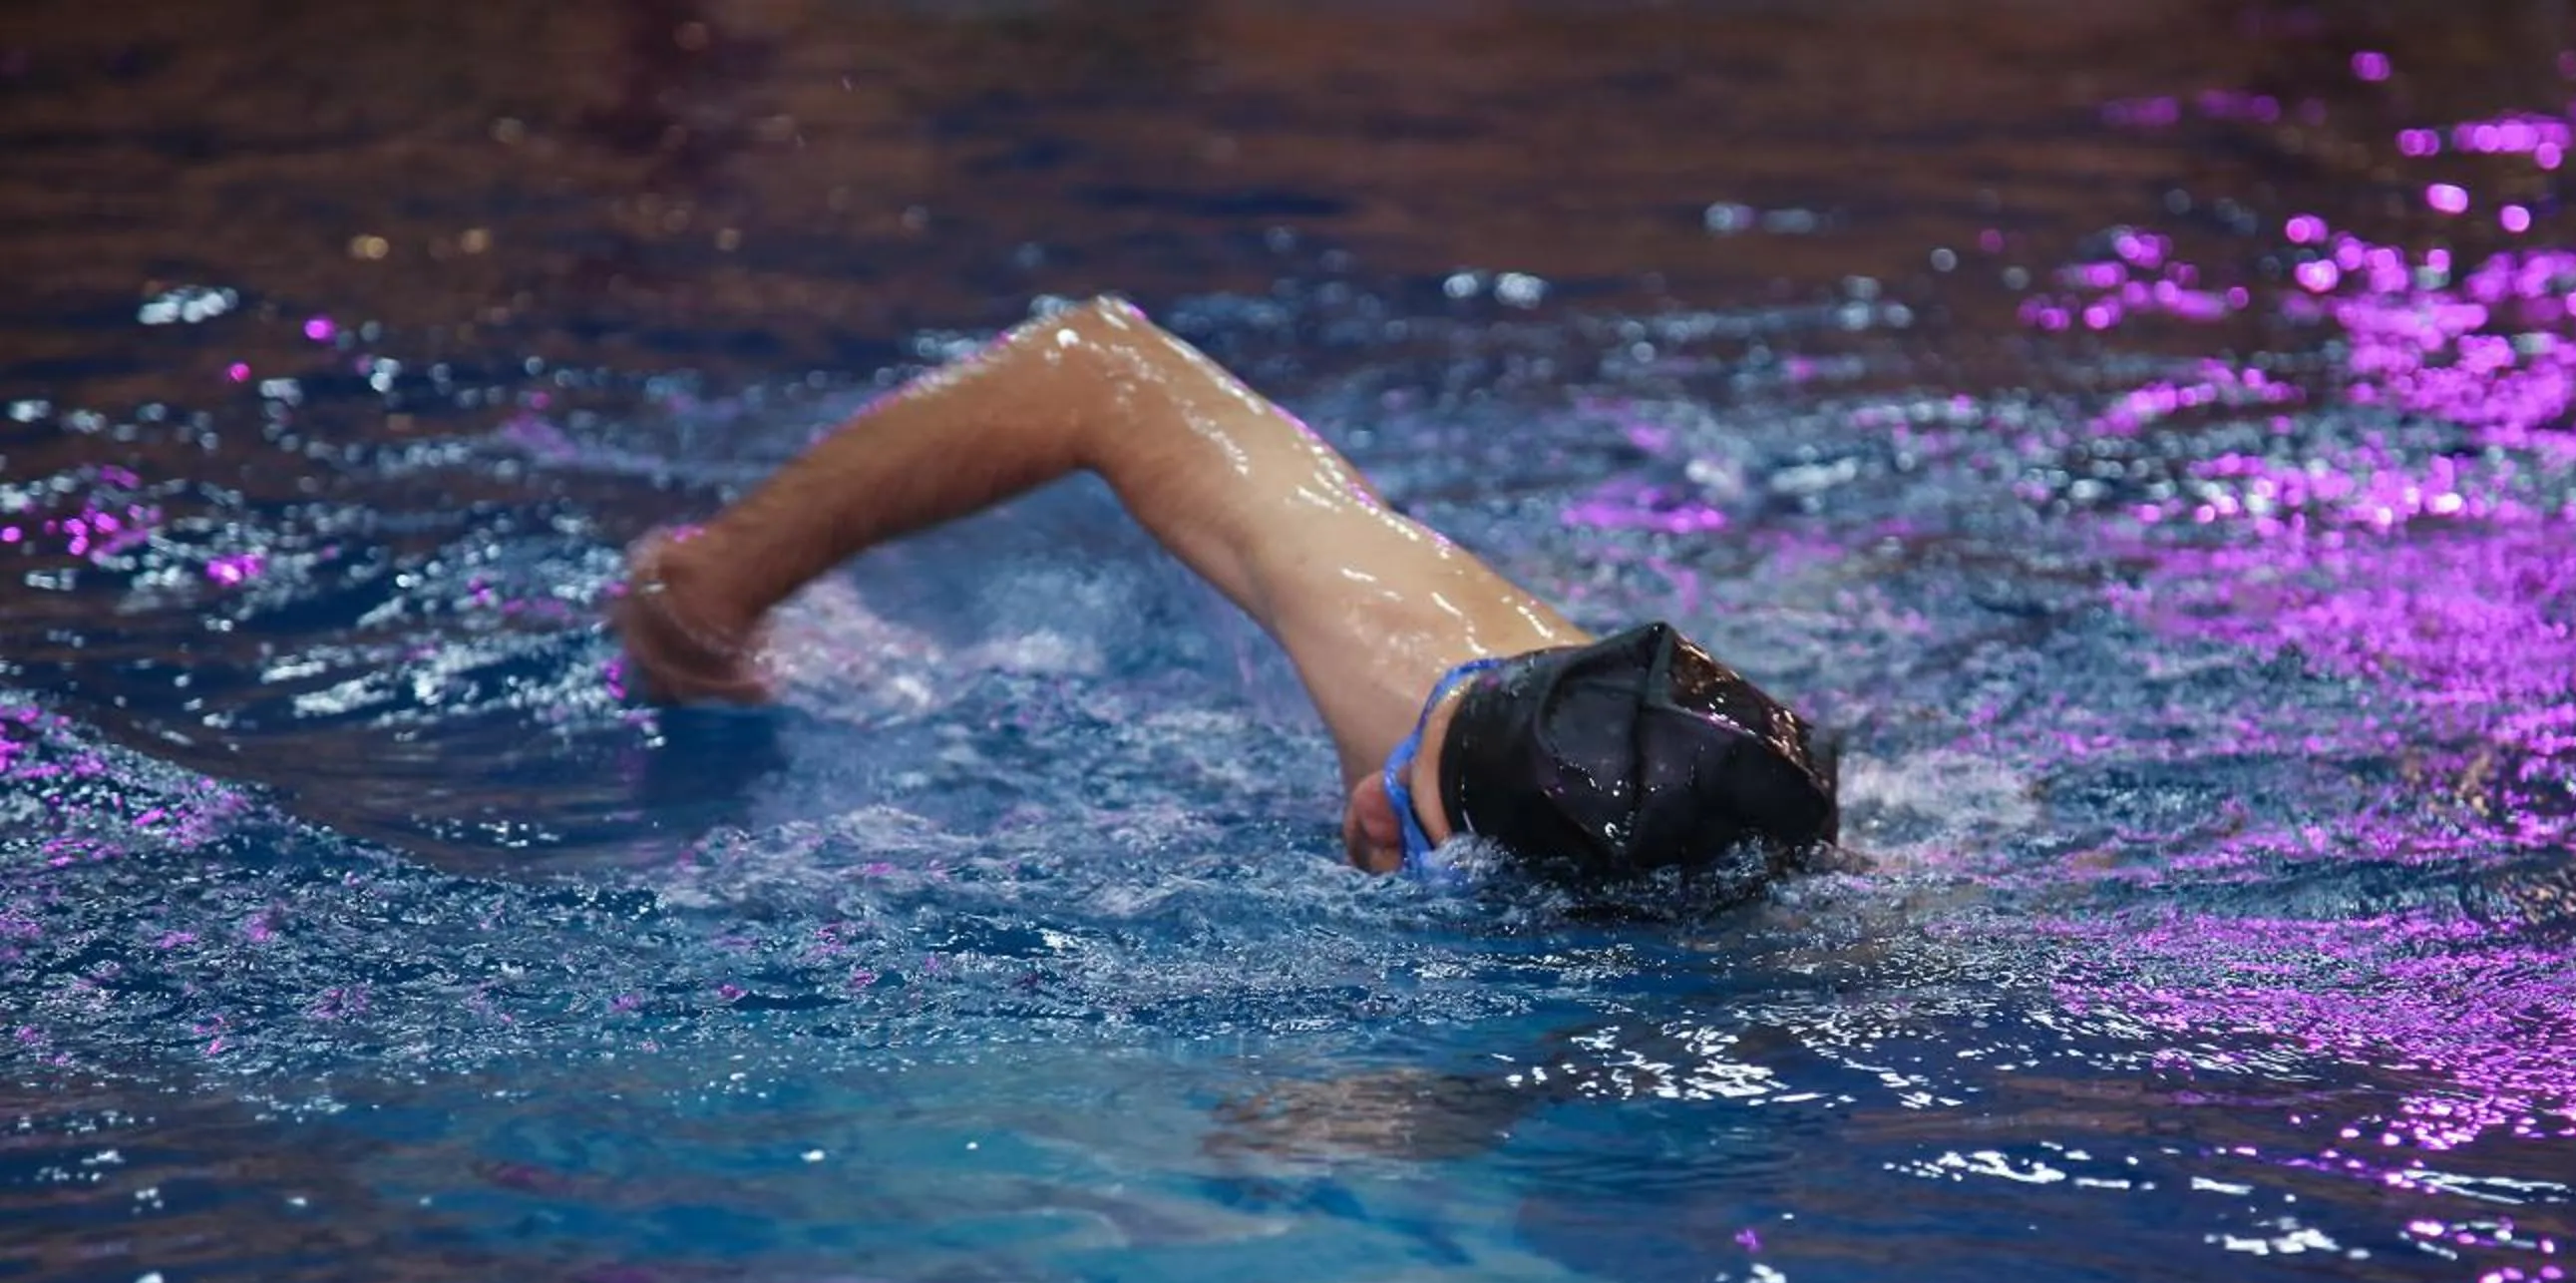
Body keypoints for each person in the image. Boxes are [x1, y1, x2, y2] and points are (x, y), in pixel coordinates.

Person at [614, 294, 1837, 878]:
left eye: (1404, 783)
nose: (1370, 790)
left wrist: (696, 603)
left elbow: (1094, 356)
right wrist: (714, 594)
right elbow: (1099, 369)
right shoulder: (1780, 855)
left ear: (1385, 833)